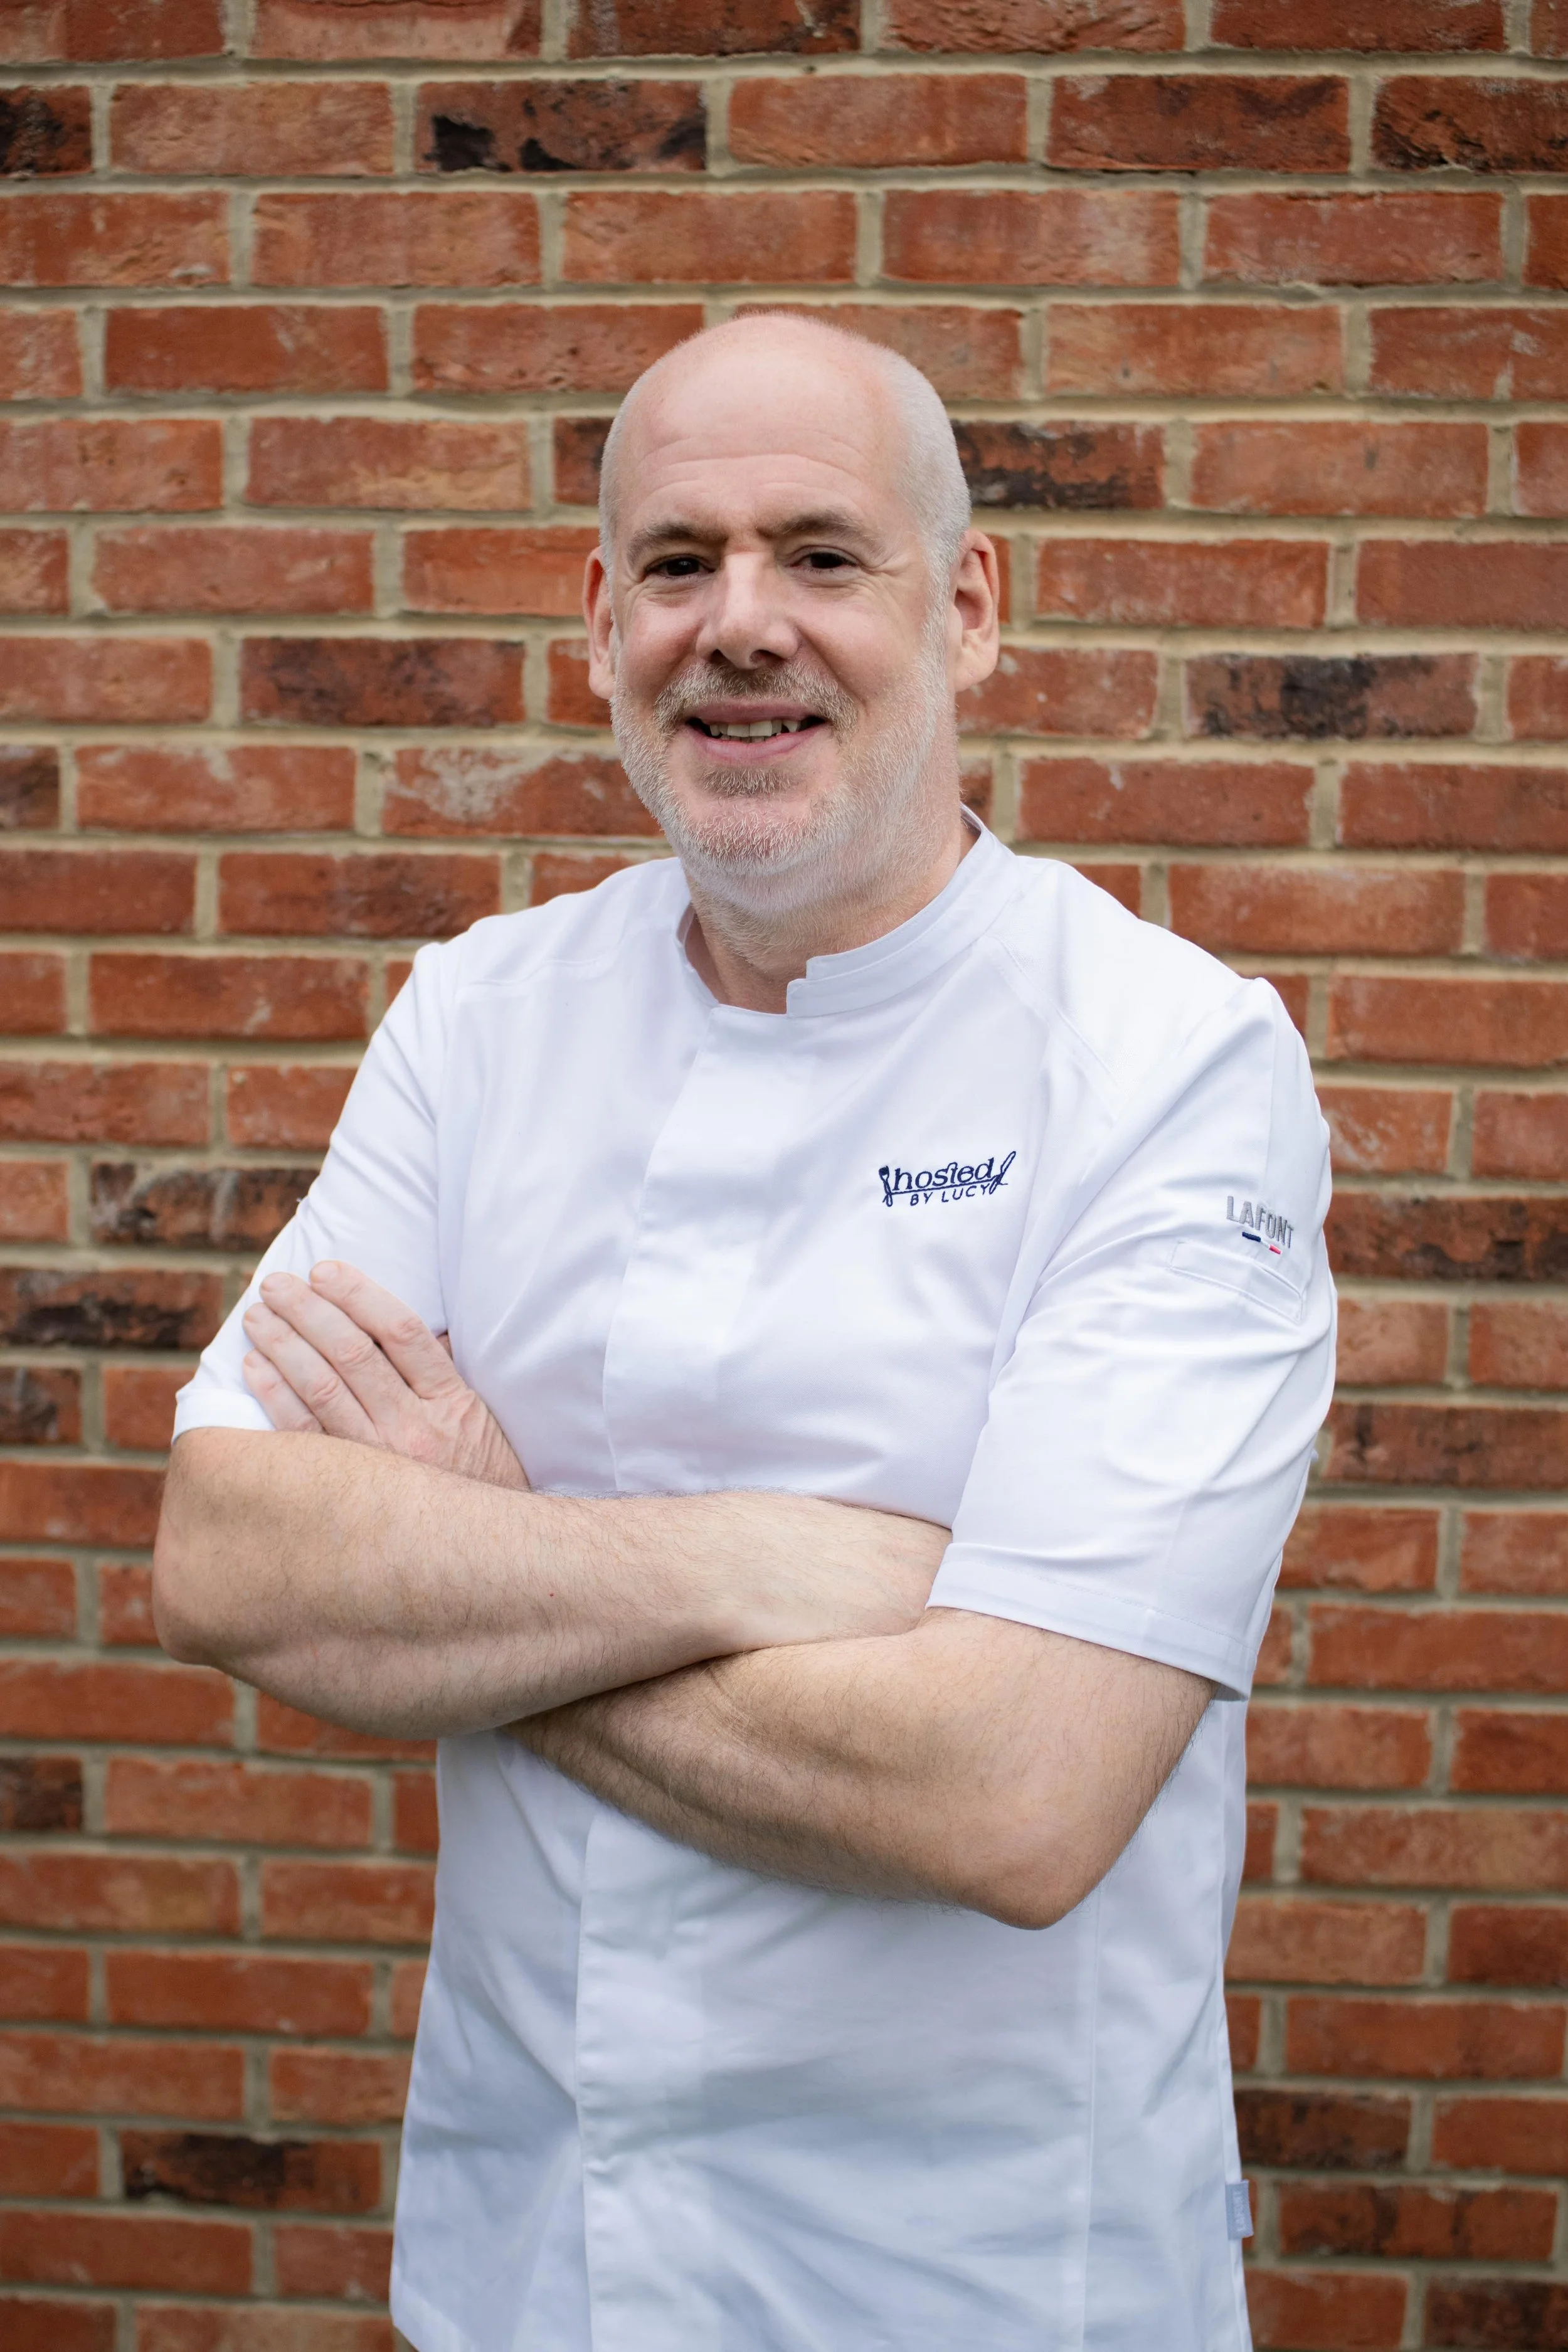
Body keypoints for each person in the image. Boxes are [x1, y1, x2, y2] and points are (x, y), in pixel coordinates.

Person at [155, 314, 1335, 2352]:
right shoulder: (480, 1014)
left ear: (963, 611)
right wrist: (756, 1559)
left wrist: (477, 1568)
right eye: (680, 562)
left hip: (978, 2284)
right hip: (531, 2267)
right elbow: (227, 1554)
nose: (742, 625)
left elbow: (1010, 1795)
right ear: (599, 617)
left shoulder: (1165, 1063)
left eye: (820, 552)